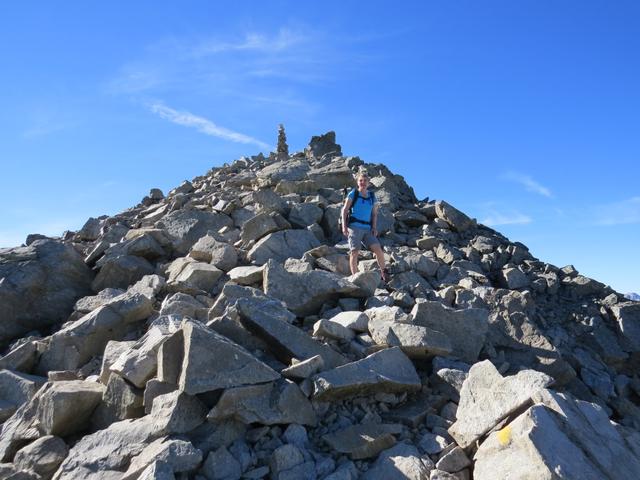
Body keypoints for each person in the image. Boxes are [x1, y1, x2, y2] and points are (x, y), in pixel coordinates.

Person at [341, 172, 389, 282]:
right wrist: (344, 227)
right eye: (360, 180)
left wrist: (374, 227)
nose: (362, 183)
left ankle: (384, 273)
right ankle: (356, 277)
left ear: (368, 182)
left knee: (378, 249)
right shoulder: (354, 193)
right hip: (354, 227)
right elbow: (344, 210)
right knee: (354, 251)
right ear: (357, 182)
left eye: (365, 181)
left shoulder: (372, 196)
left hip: (367, 228)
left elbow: (374, 214)